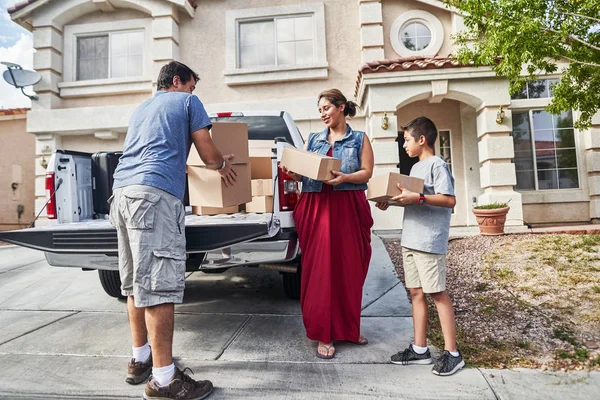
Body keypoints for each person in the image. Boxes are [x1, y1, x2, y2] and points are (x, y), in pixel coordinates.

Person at [109, 61, 237, 400]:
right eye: (192, 85)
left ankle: (140, 360)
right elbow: (208, 153)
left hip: (121, 194)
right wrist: (223, 165)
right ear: (178, 81)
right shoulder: (186, 102)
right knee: (160, 286)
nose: (194, 92)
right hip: (153, 197)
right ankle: (165, 380)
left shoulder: (142, 108)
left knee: (137, 283)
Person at [282, 89, 374, 359]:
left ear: (341, 107)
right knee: (321, 271)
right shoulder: (314, 139)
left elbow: (367, 172)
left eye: (326, 108)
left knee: (350, 269)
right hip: (317, 206)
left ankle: (348, 327)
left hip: (347, 206)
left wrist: (345, 178)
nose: (322, 113)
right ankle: (325, 333)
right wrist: (294, 173)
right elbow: (307, 172)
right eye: (319, 109)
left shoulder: (359, 138)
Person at [375, 116, 464, 376]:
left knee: (437, 293)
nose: (404, 145)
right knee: (416, 293)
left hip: (429, 240)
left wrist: (420, 197)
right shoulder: (414, 170)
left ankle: (453, 354)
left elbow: (449, 200)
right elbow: (411, 200)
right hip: (410, 240)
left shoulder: (437, 165)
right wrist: (389, 201)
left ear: (421, 140)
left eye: (407, 140)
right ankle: (420, 349)